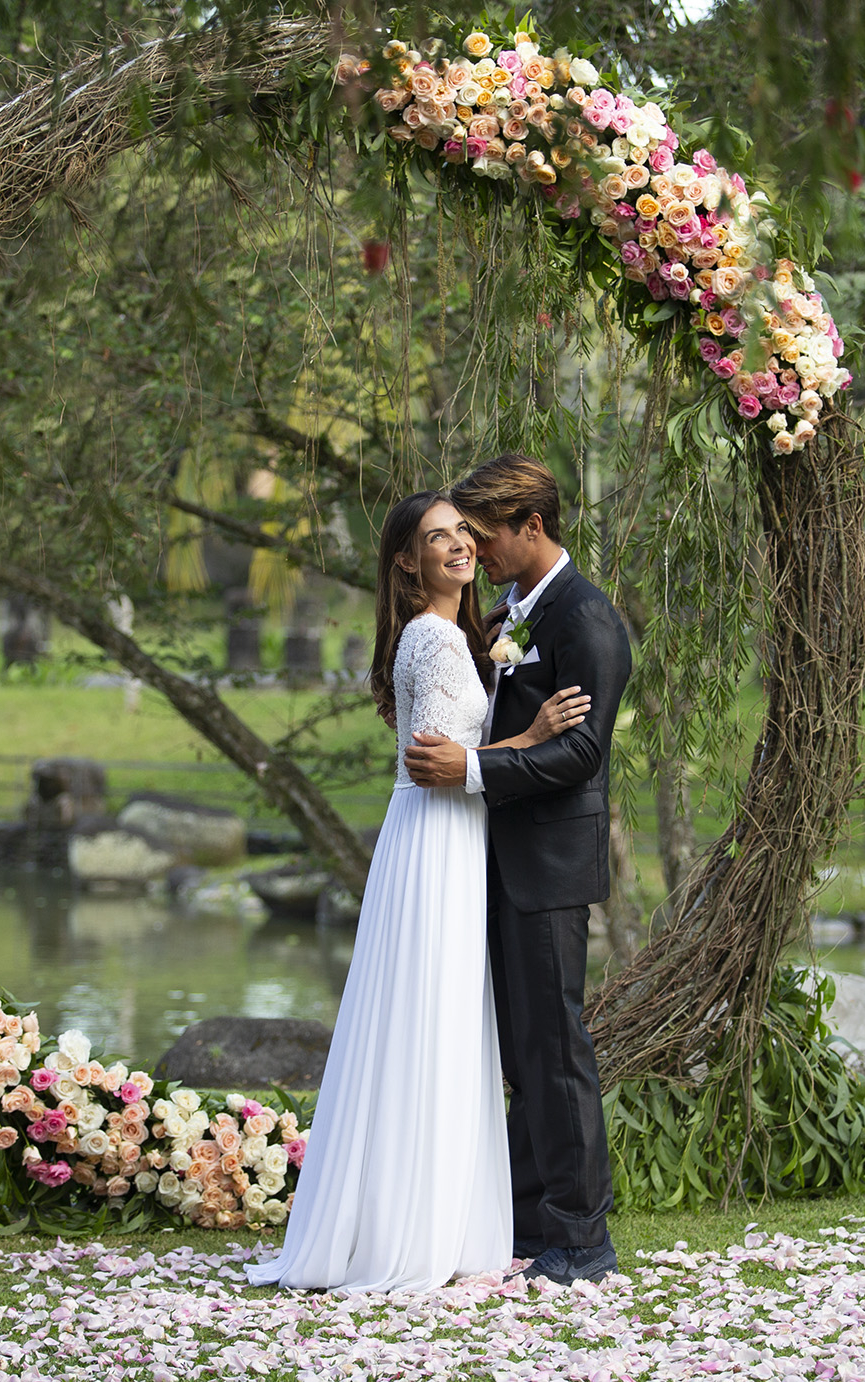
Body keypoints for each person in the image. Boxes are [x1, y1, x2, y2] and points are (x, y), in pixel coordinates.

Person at [246, 491, 590, 1292]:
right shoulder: (434, 641)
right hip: (439, 841)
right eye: (438, 539)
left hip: (447, 840)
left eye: (463, 534)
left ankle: (425, 1218)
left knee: (435, 1021)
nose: (459, 547)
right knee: (432, 1020)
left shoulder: (459, 633)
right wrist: (533, 738)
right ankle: (416, 1231)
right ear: (407, 561)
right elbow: (434, 767)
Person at [404, 452, 633, 1286]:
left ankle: (582, 1237)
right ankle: (533, 1217)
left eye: (485, 535)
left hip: (547, 868)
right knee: (519, 1049)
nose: (476, 551)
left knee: (555, 1045)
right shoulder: (514, 612)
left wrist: (471, 771)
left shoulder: (587, 621)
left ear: (531, 527)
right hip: (492, 861)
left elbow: (579, 751)